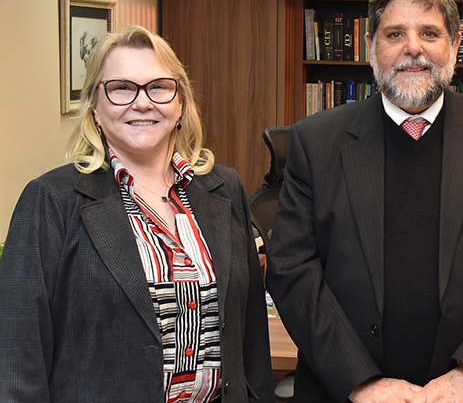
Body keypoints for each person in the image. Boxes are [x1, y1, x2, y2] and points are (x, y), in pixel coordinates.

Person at [267, 0, 463, 403]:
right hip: (346, 393)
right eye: (395, 34)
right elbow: (291, 270)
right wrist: (361, 382)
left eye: (429, 33)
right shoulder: (314, 141)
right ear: (371, 47)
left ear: (454, 45)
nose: (413, 48)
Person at [0, 26, 273, 403]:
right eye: (121, 88)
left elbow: (252, 339)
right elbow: (18, 356)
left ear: (180, 103)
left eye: (159, 87)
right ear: (95, 107)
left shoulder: (223, 189)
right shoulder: (51, 201)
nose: (142, 102)